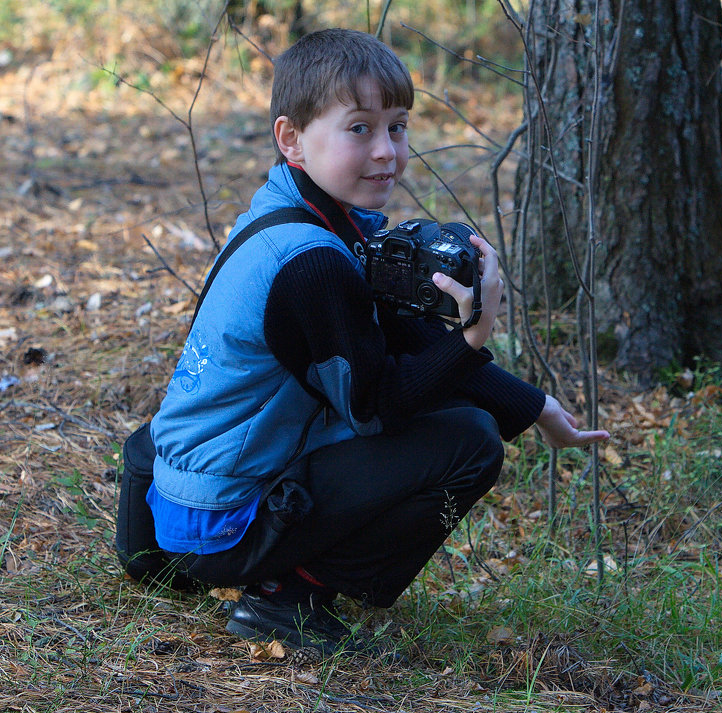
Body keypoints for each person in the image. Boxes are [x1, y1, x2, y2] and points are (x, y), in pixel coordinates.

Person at [146, 27, 609, 655]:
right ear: (292, 140)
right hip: (221, 526)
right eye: (359, 128)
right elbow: (374, 408)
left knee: (449, 399)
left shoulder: (288, 211)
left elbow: (401, 334)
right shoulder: (313, 261)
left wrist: (536, 409)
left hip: (181, 503)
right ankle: (288, 597)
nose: (387, 151)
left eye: (398, 126)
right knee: (468, 440)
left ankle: (242, 564)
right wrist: (472, 336)